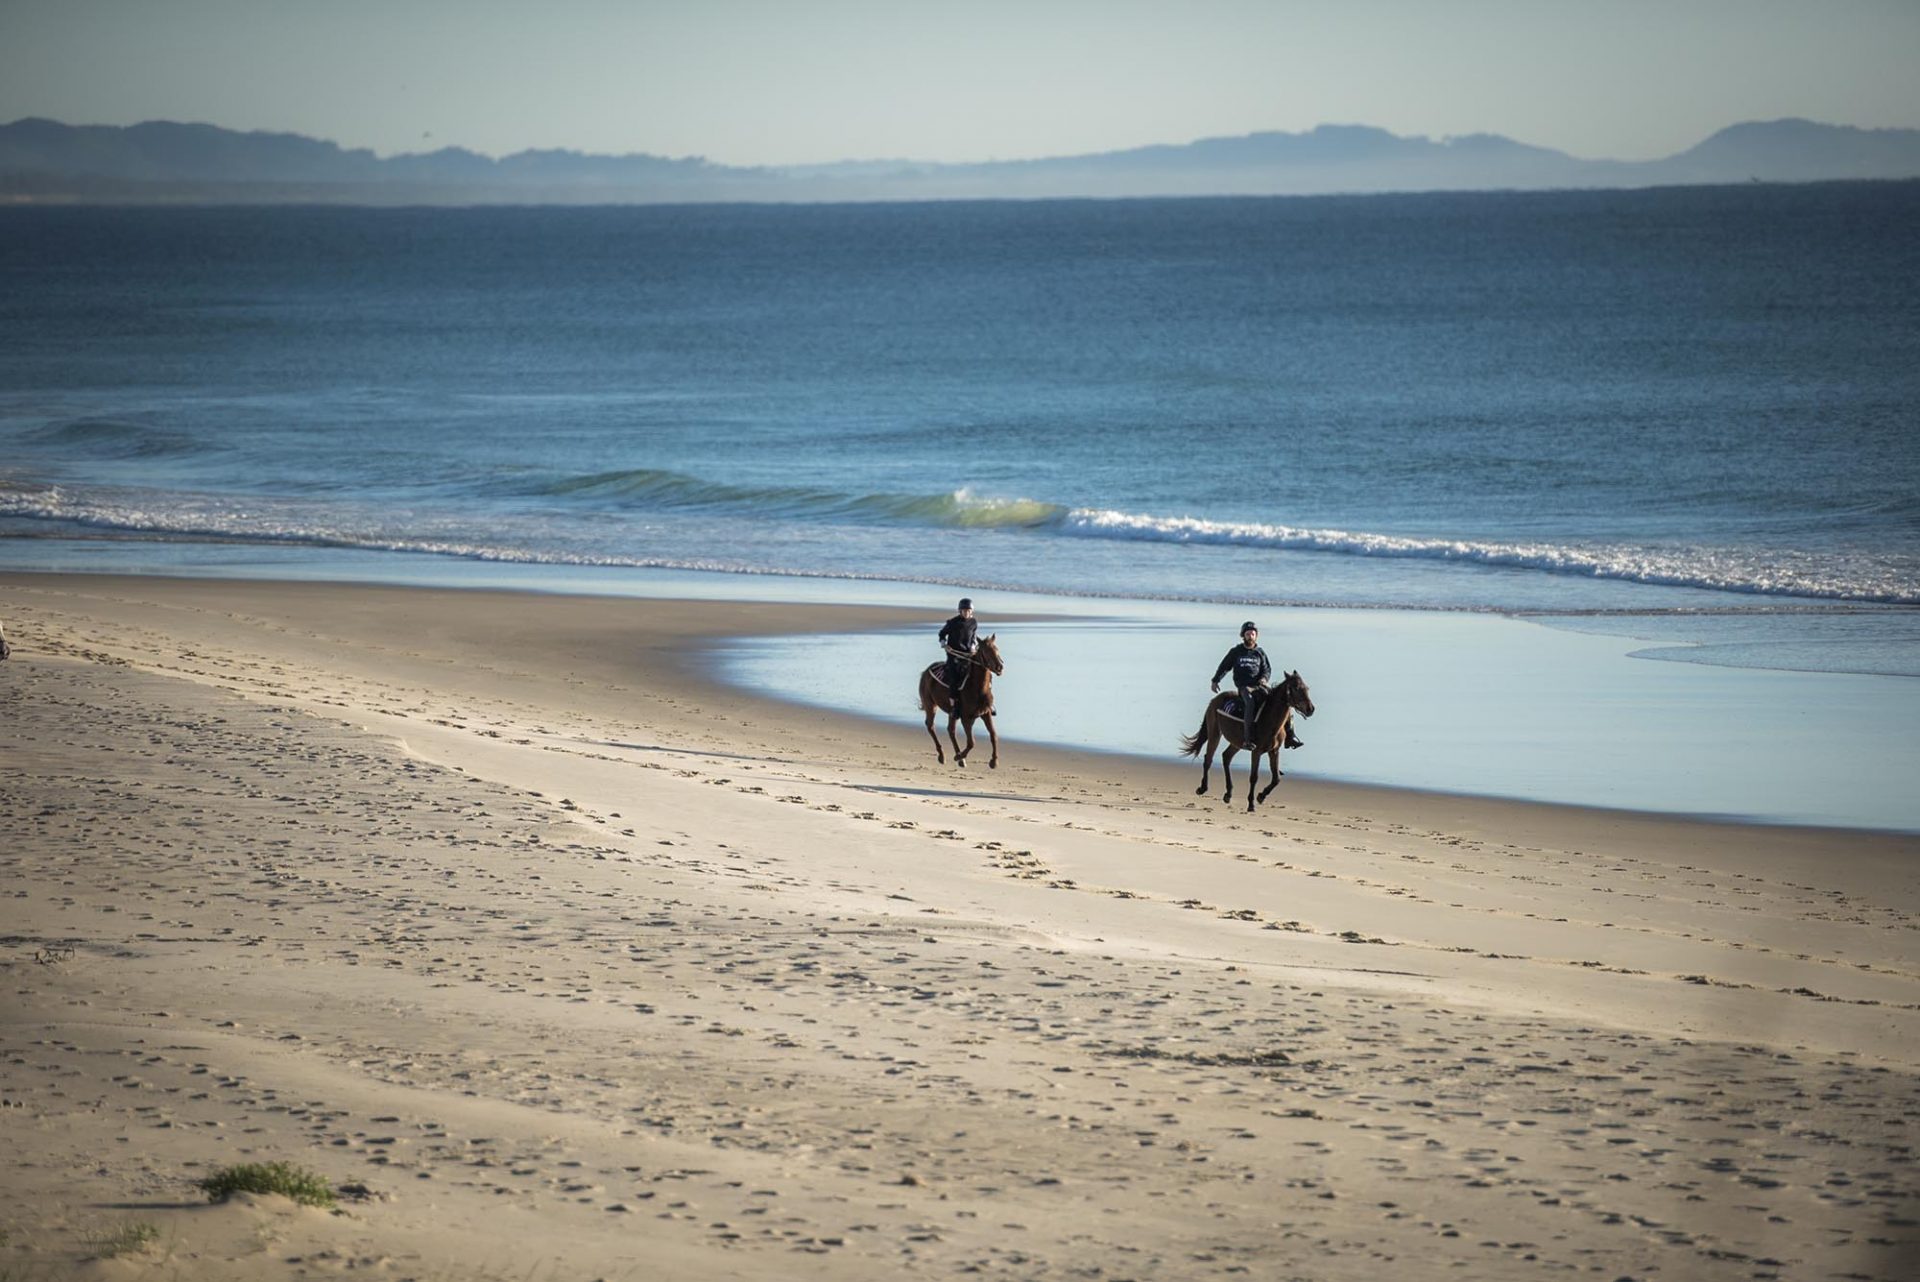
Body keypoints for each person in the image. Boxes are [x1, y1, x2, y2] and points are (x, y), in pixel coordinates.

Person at [1211, 620, 1302, 751]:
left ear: (1256, 636)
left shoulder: (1260, 652)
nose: (1250, 636)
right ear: (1243, 636)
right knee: (1250, 703)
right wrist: (1215, 680)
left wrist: (1264, 679)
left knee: (1284, 701)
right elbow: (1224, 666)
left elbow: (1267, 669)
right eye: (1248, 634)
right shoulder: (1236, 651)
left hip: (1260, 686)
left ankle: (1290, 736)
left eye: (1253, 634)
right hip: (1244, 687)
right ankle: (1248, 739)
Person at [937, 597, 978, 702]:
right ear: (960, 611)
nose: (966, 613)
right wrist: (944, 645)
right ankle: (953, 701)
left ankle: (987, 700)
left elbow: (973, 637)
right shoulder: (952, 622)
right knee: (953, 676)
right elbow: (942, 634)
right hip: (954, 654)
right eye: (964, 611)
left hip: (968, 655)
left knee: (982, 671)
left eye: (968, 611)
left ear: (971, 611)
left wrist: (973, 647)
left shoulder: (974, 623)